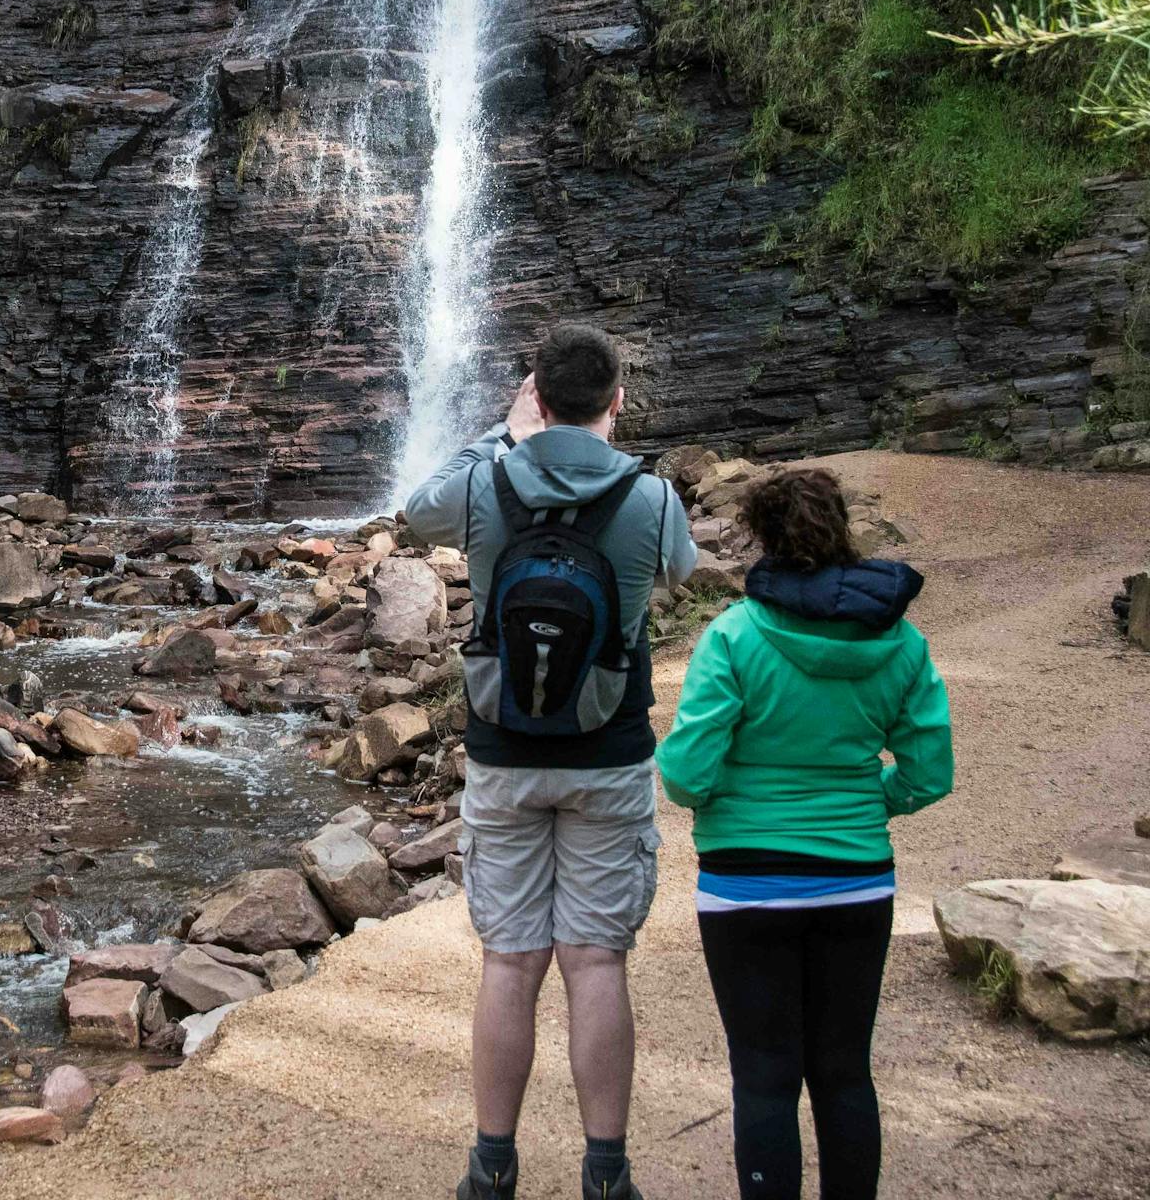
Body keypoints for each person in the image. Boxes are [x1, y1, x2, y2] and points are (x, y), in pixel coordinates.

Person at [405, 323, 696, 1200]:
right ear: (617, 400)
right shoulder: (650, 495)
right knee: (597, 962)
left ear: (534, 391)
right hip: (609, 754)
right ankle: (605, 1173)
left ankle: (492, 1166)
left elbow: (415, 509)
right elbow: (681, 573)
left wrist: (504, 434)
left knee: (509, 962)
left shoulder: (490, 478)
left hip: (505, 752)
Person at [657, 468, 952, 1200]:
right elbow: (928, 774)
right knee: (845, 1068)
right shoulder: (903, 644)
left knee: (763, 1075)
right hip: (857, 878)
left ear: (762, 536)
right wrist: (862, 801)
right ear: (842, 529)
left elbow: (687, 776)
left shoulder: (733, 636)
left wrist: (736, 803)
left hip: (744, 885)